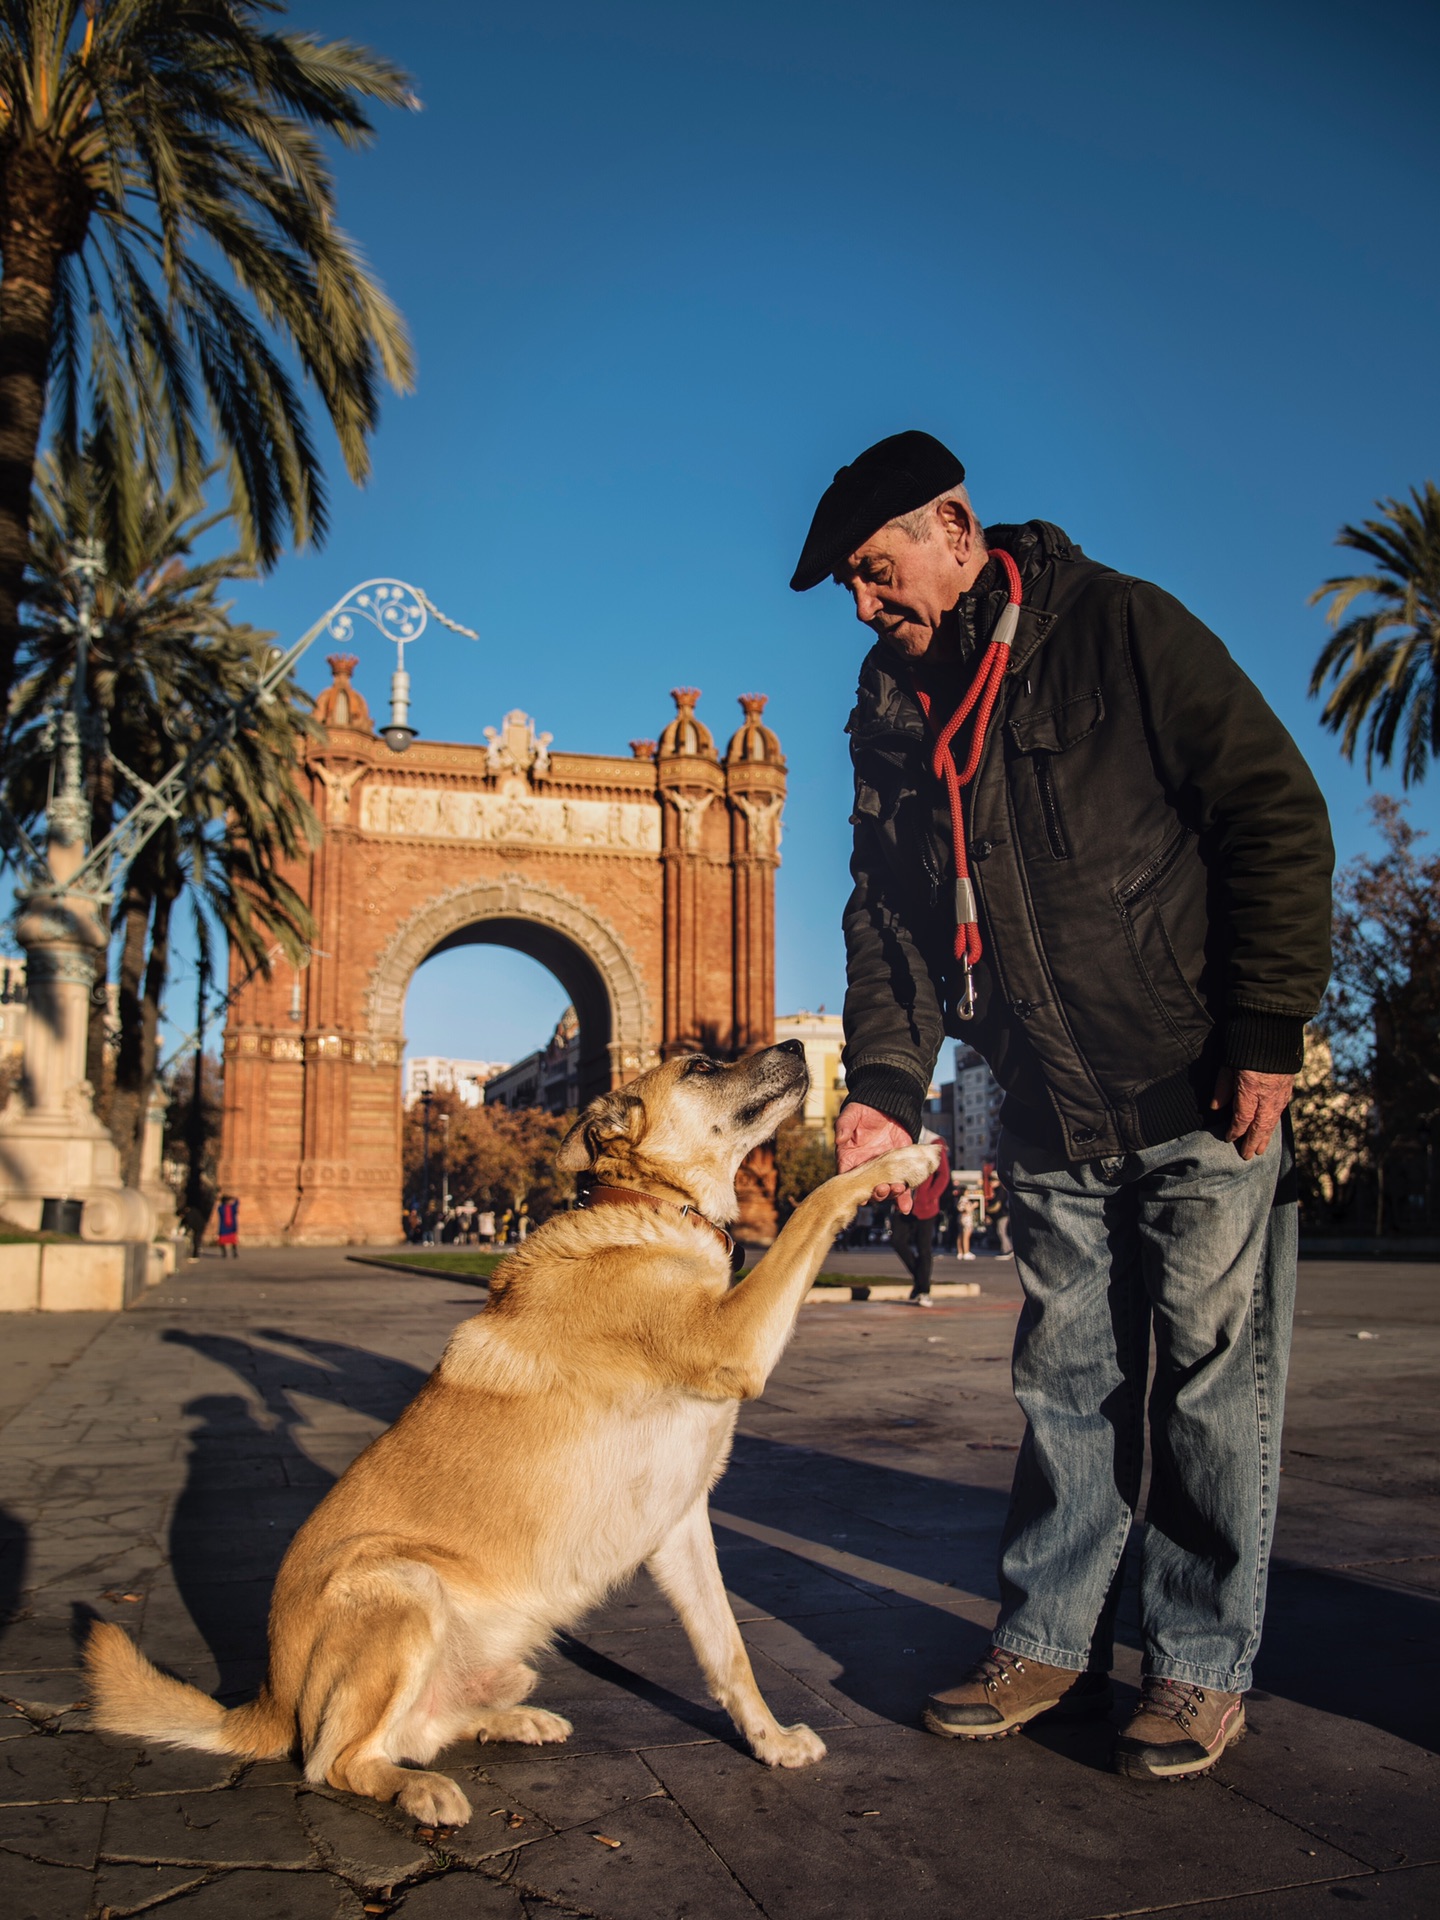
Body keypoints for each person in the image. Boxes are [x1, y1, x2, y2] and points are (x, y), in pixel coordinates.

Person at [791, 430, 1333, 1782]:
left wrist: (1268, 1024)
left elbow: (1270, 805)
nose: (867, 606)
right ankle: (1050, 1640)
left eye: (874, 570)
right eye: (851, 588)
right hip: (1039, 1097)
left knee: (1212, 1388)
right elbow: (890, 917)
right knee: (1065, 1384)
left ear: (954, 527)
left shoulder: (1121, 630)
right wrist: (881, 1087)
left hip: (1199, 1086)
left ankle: (1199, 1667)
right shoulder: (890, 706)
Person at [890, 1127, 950, 1304]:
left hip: (926, 1207)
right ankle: (920, 1279)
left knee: (924, 1248)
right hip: (904, 1204)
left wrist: (930, 1197)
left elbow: (943, 1175)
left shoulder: (934, 1142)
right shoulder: (901, 1140)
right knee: (897, 1240)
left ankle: (923, 1291)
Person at [215, 1194, 240, 1260]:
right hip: (223, 1226)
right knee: (222, 1241)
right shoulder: (221, 1208)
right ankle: (224, 1253)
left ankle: (234, 1252)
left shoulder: (232, 1208)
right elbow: (218, 1208)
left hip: (231, 1226)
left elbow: (237, 1203)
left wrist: (235, 1198)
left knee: (233, 1241)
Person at [957, 1190, 976, 1261]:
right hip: (967, 1219)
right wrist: (973, 1206)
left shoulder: (960, 1199)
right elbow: (966, 1209)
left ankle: (960, 1252)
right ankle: (966, 1252)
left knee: (961, 1235)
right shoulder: (965, 1200)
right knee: (966, 1236)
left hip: (962, 1218)